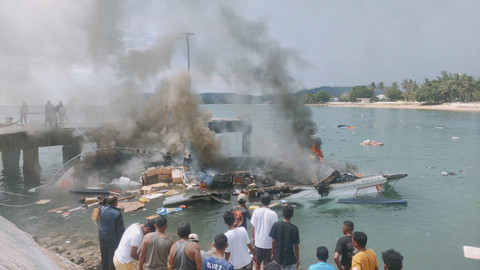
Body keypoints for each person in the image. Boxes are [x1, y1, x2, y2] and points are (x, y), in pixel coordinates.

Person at [251, 192, 278, 270]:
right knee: (267, 266)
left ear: (260, 201)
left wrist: (253, 239)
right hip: (269, 244)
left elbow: (253, 227)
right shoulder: (273, 214)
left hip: (258, 243)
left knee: (257, 263)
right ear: (270, 201)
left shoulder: (256, 211)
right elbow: (275, 231)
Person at [98, 195, 125, 270]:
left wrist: (103, 202)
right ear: (116, 203)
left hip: (102, 237)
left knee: (104, 257)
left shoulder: (101, 209)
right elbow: (121, 230)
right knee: (112, 258)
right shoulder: (117, 213)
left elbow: (100, 204)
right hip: (112, 240)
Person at [269, 205, 300, 270]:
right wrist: (297, 259)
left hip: (277, 256)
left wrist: (272, 253)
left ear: (282, 214)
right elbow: (296, 246)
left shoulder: (276, 225)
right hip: (289, 259)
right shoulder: (294, 229)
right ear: (292, 216)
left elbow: (273, 241)